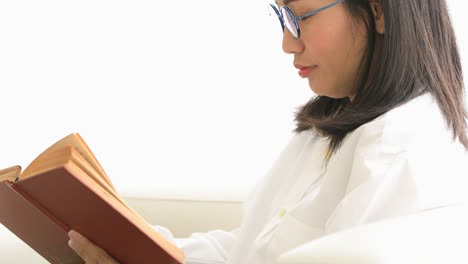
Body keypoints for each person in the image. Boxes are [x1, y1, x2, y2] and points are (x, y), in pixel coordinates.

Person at [67, 0, 468, 263]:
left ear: (379, 11)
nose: (287, 44)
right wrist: (144, 246)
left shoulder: (404, 150)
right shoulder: (326, 131)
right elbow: (249, 249)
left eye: (300, 17)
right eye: (281, 17)